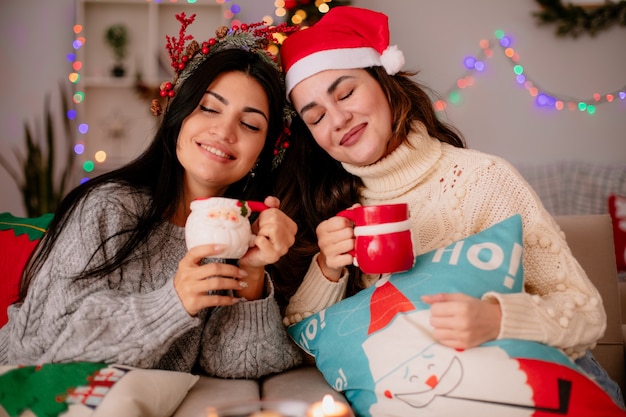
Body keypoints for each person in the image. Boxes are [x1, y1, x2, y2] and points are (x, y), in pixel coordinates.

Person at [273, 5, 624, 406]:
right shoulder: (335, 206)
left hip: (542, 388)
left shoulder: (484, 180)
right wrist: (327, 268)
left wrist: (496, 319)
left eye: (347, 92)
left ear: (385, 81)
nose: (336, 119)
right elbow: (306, 344)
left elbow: (585, 311)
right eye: (315, 117)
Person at [0, 14, 304, 379]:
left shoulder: (236, 234)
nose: (224, 131)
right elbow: (41, 346)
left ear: (264, 152)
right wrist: (173, 303)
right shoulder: (107, 207)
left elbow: (239, 364)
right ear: (178, 116)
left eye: (250, 123)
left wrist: (252, 272)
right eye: (209, 107)